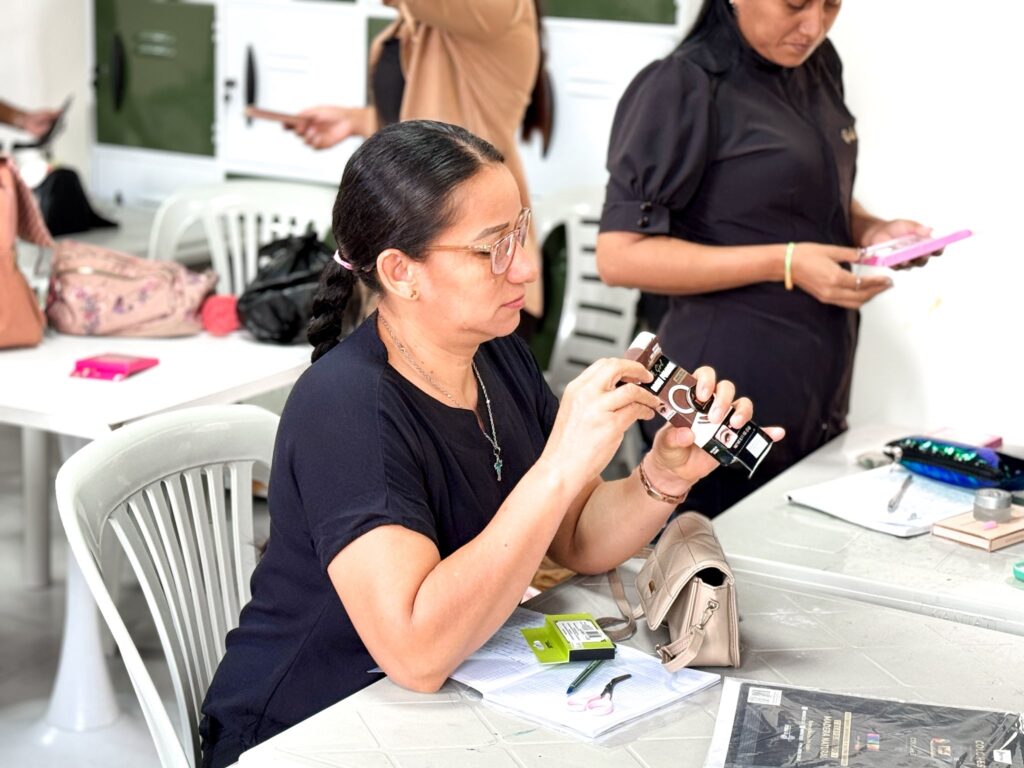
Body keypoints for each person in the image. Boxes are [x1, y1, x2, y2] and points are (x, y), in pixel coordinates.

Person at [199, 120, 783, 767]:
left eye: (521, 232)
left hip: (437, 705)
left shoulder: (495, 354)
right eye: (492, 249)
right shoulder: (347, 408)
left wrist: (662, 476)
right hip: (307, 728)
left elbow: (575, 539)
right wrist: (559, 466)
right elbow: (417, 652)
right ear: (401, 271)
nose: (525, 267)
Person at [595, 0, 938, 518]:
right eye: (795, 4)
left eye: (831, 4)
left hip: (814, 392)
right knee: (714, 558)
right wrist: (786, 263)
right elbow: (620, 256)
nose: (814, 26)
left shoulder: (820, 66)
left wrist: (872, 230)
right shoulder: (682, 85)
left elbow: (804, 197)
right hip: (718, 394)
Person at [290, 0, 550, 332]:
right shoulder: (408, 29)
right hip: (416, 274)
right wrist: (357, 120)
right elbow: (420, 131)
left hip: (485, 277)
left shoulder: (499, 8)